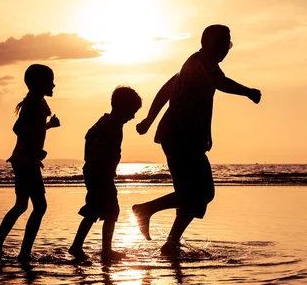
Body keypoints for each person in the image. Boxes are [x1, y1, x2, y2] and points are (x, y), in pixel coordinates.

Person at [132, 24, 261, 255]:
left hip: (185, 137)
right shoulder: (202, 61)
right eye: (220, 43)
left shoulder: (192, 65)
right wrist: (248, 91)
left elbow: (167, 89)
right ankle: (147, 211)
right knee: (199, 193)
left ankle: (170, 243)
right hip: (180, 136)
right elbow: (219, 82)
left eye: (227, 44)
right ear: (206, 43)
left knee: (196, 196)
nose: (224, 49)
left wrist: (149, 120)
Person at [0, 64, 60, 264]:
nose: (53, 84)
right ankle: (23, 253)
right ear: (39, 83)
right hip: (26, 160)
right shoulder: (35, 102)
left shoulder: (36, 101)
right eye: (50, 81)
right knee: (39, 206)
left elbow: (33, 129)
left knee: (22, 205)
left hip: (24, 159)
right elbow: (18, 128)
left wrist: (48, 126)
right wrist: (37, 151)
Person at [68, 86, 142, 263]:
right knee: (109, 210)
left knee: (95, 210)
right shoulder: (109, 124)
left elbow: (89, 136)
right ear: (121, 108)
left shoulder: (108, 122)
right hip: (99, 173)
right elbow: (91, 137)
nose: (132, 117)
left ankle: (81, 246)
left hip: (98, 171)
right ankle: (104, 251)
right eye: (131, 112)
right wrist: (97, 162)